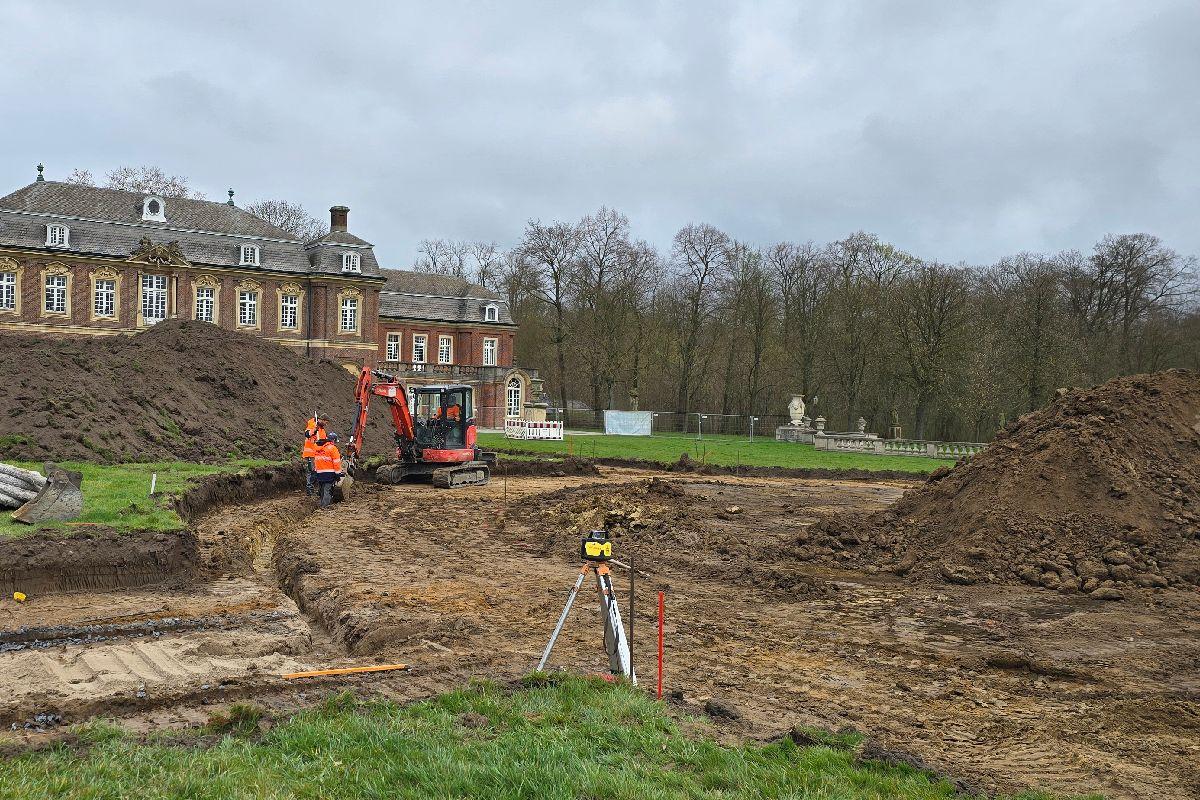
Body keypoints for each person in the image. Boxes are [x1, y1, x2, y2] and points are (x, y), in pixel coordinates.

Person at [312, 432, 343, 508]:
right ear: (333, 441)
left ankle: (322, 504)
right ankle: (325, 507)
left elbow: (316, 460)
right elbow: (336, 462)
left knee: (322, 489)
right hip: (329, 473)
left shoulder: (317, 448)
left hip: (319, 473)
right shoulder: (332, 448)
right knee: (327, 490)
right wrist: (338, 474)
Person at [302, 414, 329, 496]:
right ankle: (309, 489)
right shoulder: (312, 424)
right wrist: (314, 430)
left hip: (318, 454)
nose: (326, 424)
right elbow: (307, 434)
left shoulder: (322, 430)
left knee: (317, 472)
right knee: (312, 471)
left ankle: (315, 489)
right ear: (321, 420)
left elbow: (324, 442)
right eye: (325, 422)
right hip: (310, 453)